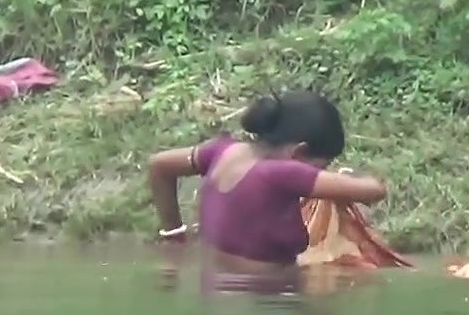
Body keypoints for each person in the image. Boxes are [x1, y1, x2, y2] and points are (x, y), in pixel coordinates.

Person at [147, 90, 388, 273]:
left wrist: (174, 234)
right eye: (322, 166)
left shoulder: (221, 151)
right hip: (270, 290)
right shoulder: (283, 174)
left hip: (217, 283)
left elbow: (159, 165)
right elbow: (374, 191)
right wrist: (350, 176)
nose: (322, 173)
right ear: (299, 152)